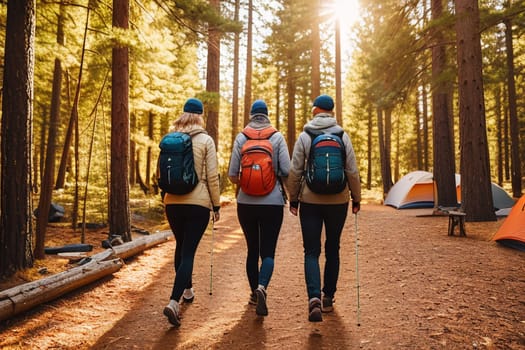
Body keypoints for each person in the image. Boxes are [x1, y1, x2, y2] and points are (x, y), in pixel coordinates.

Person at [287, 94, 361, 322]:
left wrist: (294, 198)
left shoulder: (305, 136)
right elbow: (351, 170)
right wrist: (356, 198)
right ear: (332, 112)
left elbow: (295, 170)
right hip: (338, 201)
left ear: (315, 110)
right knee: (333, 248)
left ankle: (313, 299)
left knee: (311, 251)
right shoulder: (342, 135)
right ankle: (328, 297)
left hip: (310, 200)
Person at [160, 97, 221, 327]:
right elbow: (212, 176)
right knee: (188, 252)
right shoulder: (205, 140)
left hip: (172, 202)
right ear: (200, 115)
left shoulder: (170, 138)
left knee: (181, 246)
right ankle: (174, 301)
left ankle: (187, 290)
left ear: (184, 114)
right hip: (197, 203)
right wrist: (216, 205)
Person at [228, 99, 290, 317]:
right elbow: (286, 170)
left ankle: (254, 294)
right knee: (268, 251)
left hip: (245, 203)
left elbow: (233, 175)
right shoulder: (277, 137)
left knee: (252, 250)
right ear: (267, 115)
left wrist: (248, 180)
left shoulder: (241, 137)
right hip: (272, 202)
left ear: (251, 115)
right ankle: (263, 286)